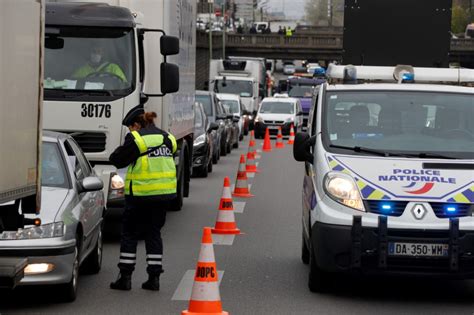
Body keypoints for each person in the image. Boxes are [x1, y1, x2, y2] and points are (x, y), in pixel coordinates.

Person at [109, 105, 177, 291]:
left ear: (137, 124)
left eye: (130, 127)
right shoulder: (167, 138)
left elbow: (116, 159)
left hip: (139, 196)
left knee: (130, 234)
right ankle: (154, 279)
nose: (129, 131)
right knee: (153, 234)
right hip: (163, 197)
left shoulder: (137, 139)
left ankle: (125, 278)